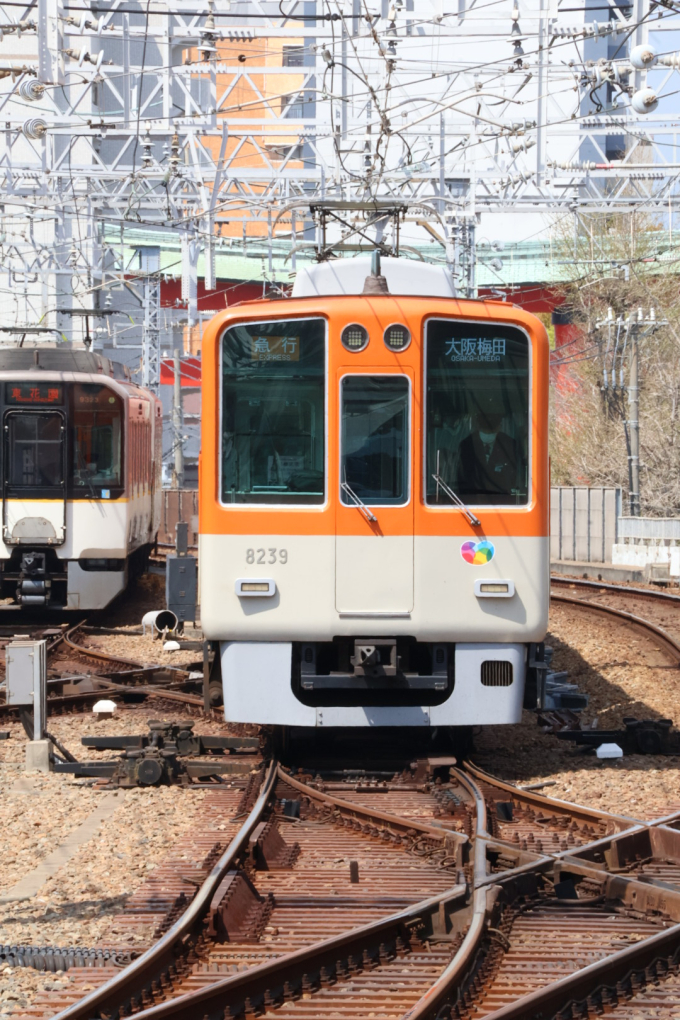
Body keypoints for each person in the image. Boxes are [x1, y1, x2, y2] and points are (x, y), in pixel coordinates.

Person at [454, 393, 524, 502]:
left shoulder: (510, 445)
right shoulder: (466, 446)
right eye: (485, 417)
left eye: (494, 417)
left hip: (504, 505)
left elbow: (516, 479)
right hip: (470, 504)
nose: (490, 420)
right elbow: (462, 480)